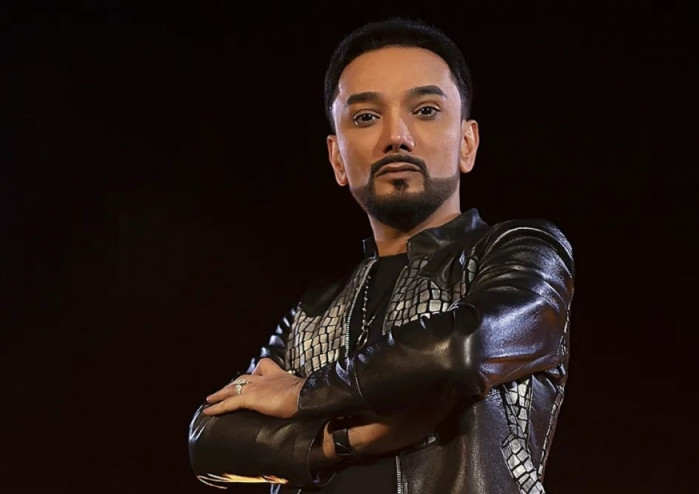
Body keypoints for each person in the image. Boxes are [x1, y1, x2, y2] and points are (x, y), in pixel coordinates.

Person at [188, 18, 575, 494]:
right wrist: (340, 443)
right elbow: (209, 438)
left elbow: (461, 351)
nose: (397, 136)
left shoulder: (521, 251)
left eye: (426, 110)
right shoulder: (313, 311)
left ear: (467, 143)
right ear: (337, 158)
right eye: (366, 117)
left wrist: (304, 394)